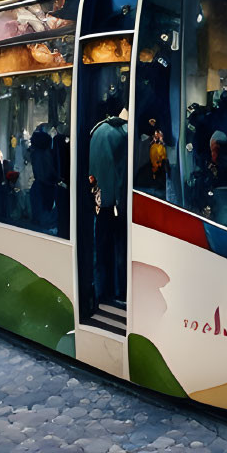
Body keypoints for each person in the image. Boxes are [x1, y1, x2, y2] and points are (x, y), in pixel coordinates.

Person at [89, 96, 129, 305]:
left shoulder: (96, 131)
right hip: (117, 202)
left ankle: (101, 291)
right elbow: (122, 173)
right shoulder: (123, 134)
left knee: (101, 247)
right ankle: (119, 292)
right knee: (119, 249)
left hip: (99, 201)